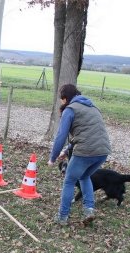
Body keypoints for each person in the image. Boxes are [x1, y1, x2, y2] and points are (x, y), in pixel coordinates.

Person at [47, 84, 111, 226]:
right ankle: (89, 210)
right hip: (103, 152)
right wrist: (66, 150)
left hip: (85, 152)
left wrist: (53, 157)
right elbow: (87, 134)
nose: (61, 102)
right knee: (84, 176)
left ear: (65, 99)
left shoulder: (70, 110)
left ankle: (62, 217)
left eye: (61, 99)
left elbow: (61, 136)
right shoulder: (93, 107)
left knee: (69, 181)